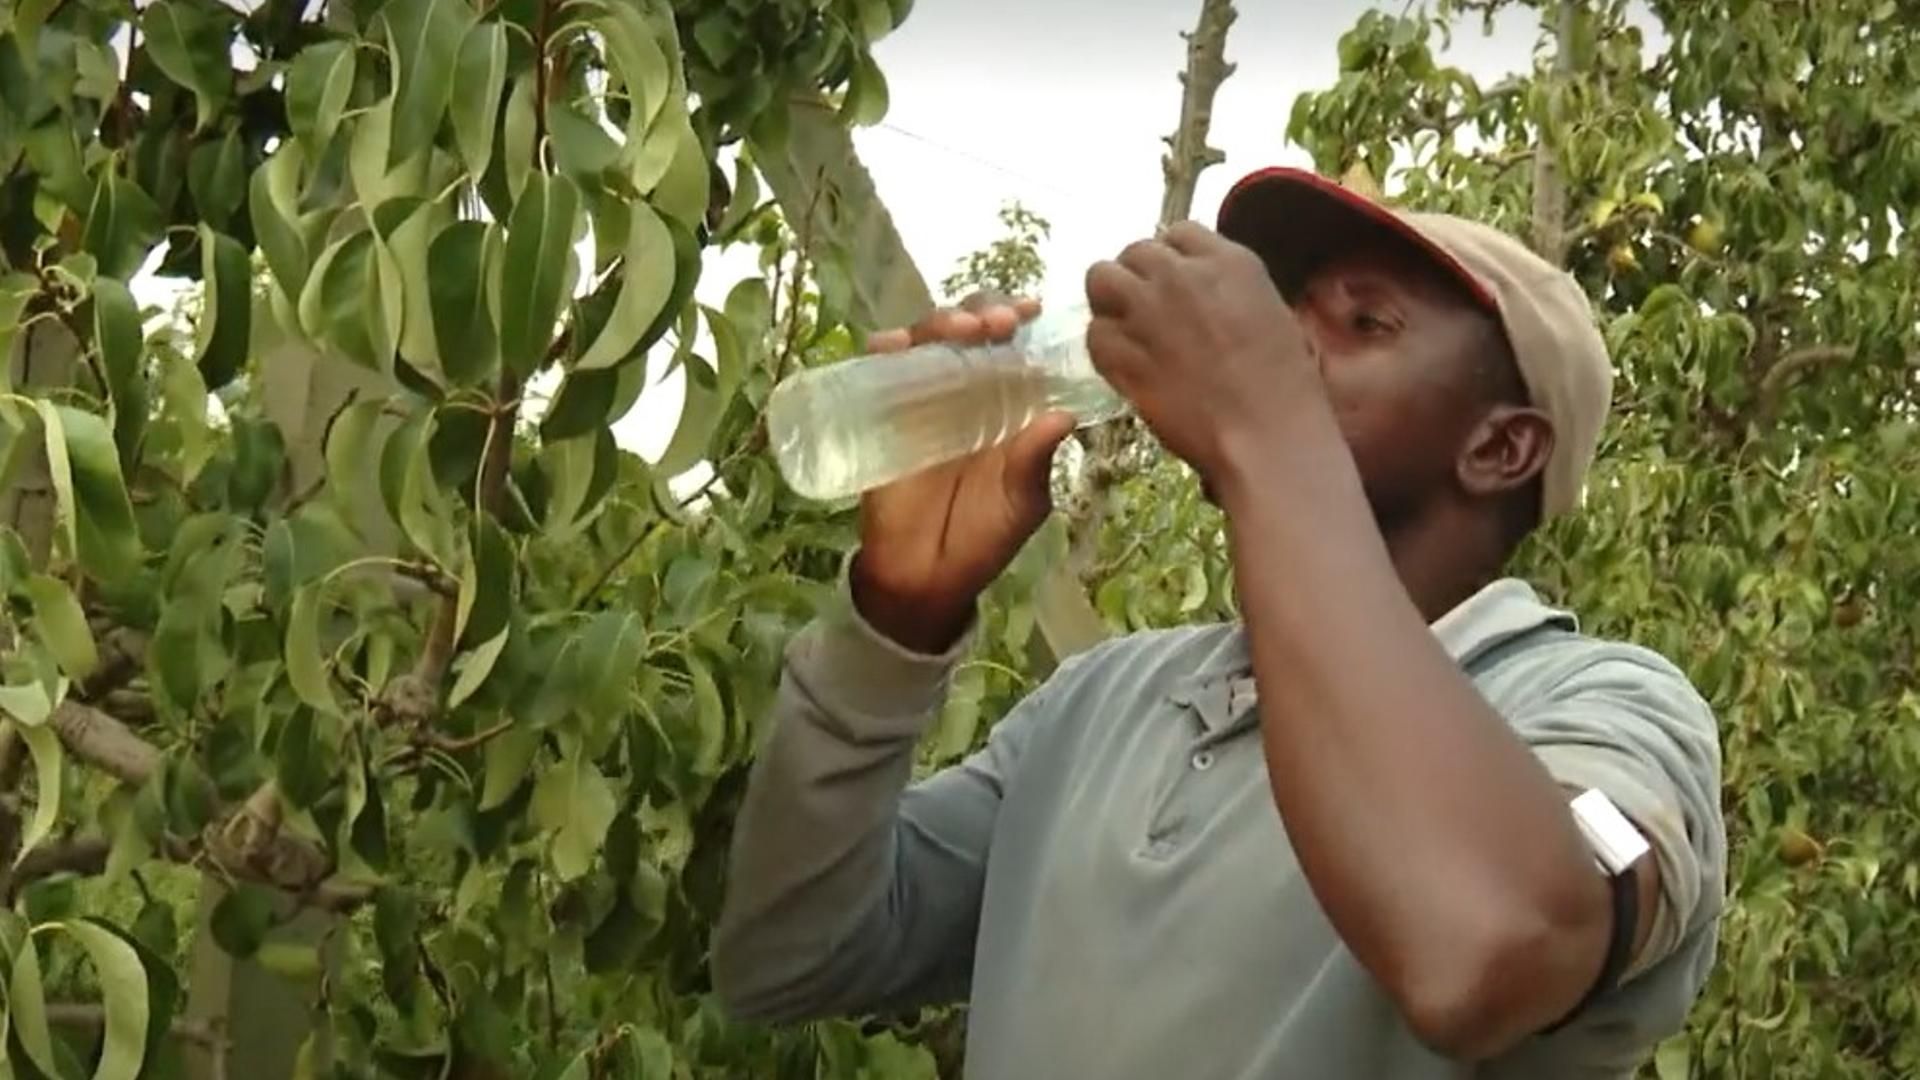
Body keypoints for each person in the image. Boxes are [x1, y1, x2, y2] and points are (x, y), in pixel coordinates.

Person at [711, 167, 1726, 1078]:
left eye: (1364, 325)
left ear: (1501, 449)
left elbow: (1487, 945)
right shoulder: (1108, 701)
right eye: (1285, 312)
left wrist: (1265, 423)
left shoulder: (1608, 711)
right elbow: (787, 959)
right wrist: (898, 623)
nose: (1286, 345)